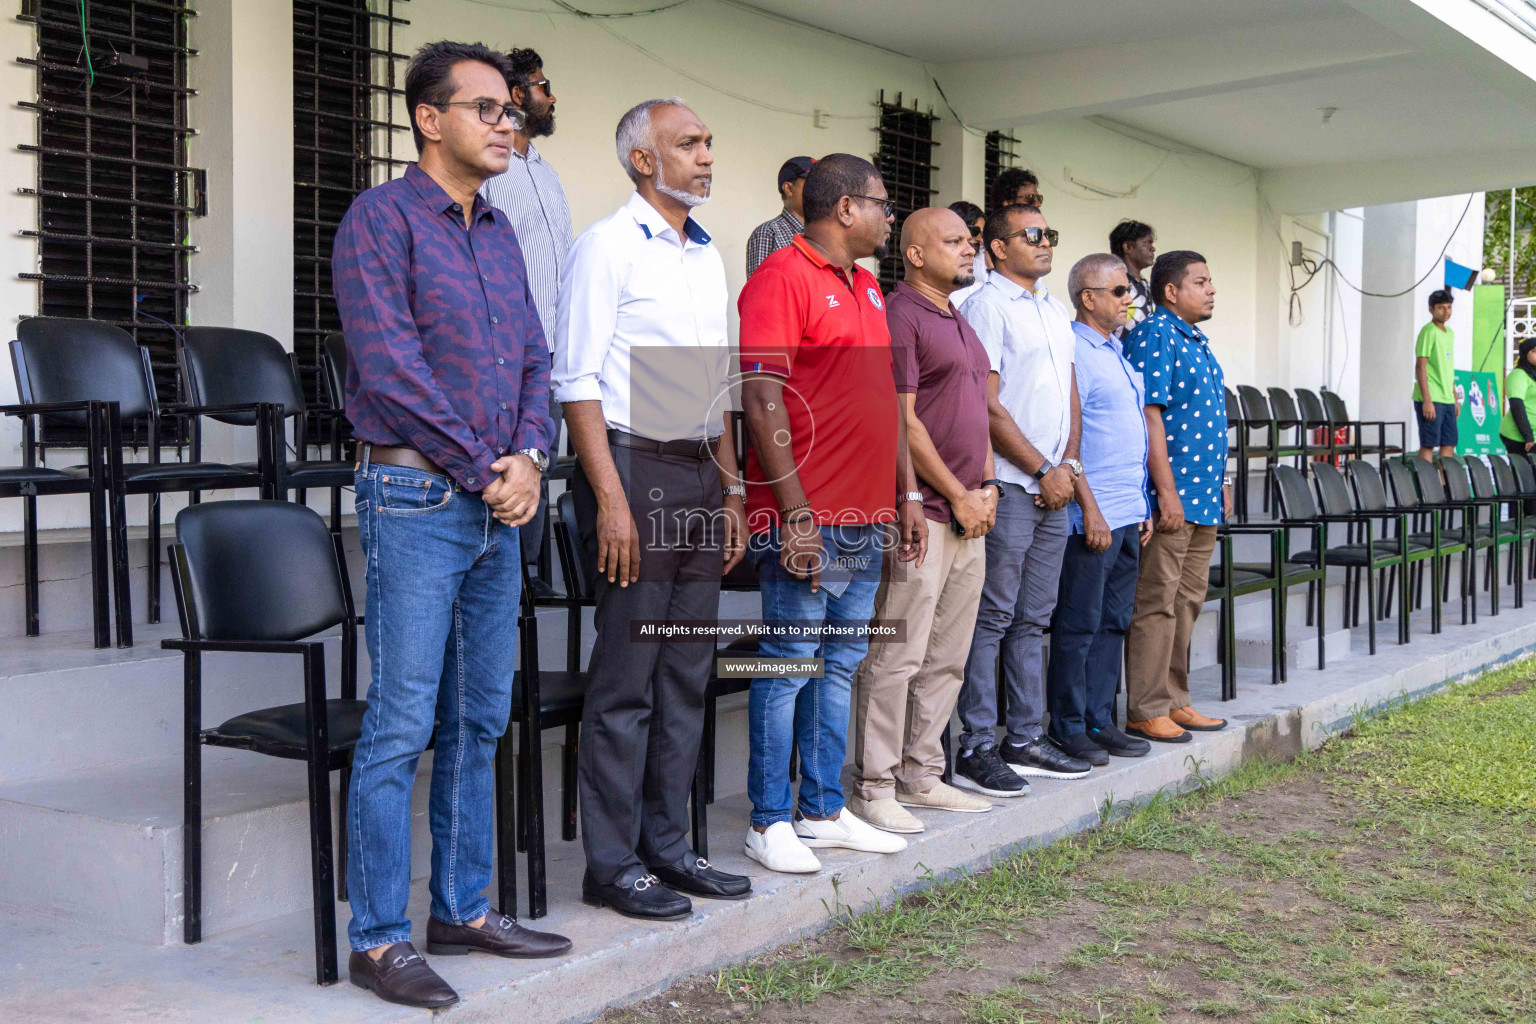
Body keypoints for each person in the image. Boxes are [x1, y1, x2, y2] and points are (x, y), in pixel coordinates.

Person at [333, 40, 568, 1011]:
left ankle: (462, 908)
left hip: (493, 502)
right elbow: (391, 369)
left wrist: (530, 459)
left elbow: (533, 361)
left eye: (510, 110)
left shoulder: (502, 230)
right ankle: (380, 938)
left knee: (481, 716)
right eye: (488, 109)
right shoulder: (379, 221)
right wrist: (487, 470)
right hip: (419, 500)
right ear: (431, 118)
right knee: (401, 722)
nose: (507, 123)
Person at [554, 97, 752, 921]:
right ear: (644, 160)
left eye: (708, 141)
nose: (706, 155)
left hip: (702, 473)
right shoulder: (607, 246)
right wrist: (611, 501)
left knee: (685, 675)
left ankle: (670, 850)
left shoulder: (706, 255)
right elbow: (577, 379)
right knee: (629, 677)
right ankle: (612, 863)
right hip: (634, 468)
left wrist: (735, 488)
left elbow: (718, 385)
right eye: (688, 144)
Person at [737, 152, 926, 873]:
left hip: (868, 511)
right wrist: (795, 515)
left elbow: (886, 404)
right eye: (881, 202)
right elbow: (760, 397)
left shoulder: (870, 288)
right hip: (811, 514)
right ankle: (767, 820)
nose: (888, 214)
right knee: (789, 665)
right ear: (846, 208)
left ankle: (820, 811)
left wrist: (904, 494)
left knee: (839, 663)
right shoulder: (780, 277)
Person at [849, 207, 997, 834]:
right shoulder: (901, 314)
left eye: (971, 242)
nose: (971, 249)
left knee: (948, 657)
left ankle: (921, 774)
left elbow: (982, 411)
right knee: (897, 655)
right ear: (914, 253)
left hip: (969, 512)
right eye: (955, 241)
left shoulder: (958, 320)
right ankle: (871, 784)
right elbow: (901, 420)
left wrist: (986, 487)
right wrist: (956, 494)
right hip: (926, 513)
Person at [951, 203, 1092, 800]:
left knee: (1034, 618)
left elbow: (1069, 396)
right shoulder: (985, 306)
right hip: (1008, 483)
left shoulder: (1054, 309)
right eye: (1032, 234)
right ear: (998, 248)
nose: (1044, 242)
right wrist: (1039, 467)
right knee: (993, 616)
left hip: (1053, 486)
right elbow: (984, 403)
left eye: (1049, 233)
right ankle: (978, 743)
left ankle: (1024, 738)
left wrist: (1068, 467)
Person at [1046, 254, 1154, 765]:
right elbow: (1073, 439)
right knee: (1080, 622)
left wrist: (1142, 504)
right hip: (1094, 515)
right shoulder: (1075, 352)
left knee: (1114, 621)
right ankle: (1067, 725)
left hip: (1128, 509)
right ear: (1088, 298)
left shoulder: (1117, 350)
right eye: (1117, 291)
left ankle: (1098, 719)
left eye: (1127, 289)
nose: (1126, 298)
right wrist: (1090, 509)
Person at [1121, 251, 1231, 745]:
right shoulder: (1155, 335)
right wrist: (1166, 492)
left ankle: (1175, 699)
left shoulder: (1199, 341)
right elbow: (1149, 416)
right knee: (1157, 602)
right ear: (1170, 291)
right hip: (1174, 498)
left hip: (1204, 497)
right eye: (1201, 282)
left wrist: (1223, 481)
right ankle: (1145, 707)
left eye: (1211, 282)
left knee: (1187, 600)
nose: (1211, 290)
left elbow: (1210, 419)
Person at [480, 46, 572, 591]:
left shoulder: (546, 171)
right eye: (542, 85)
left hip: (554, 347)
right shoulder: (491, 166)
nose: (550, 95)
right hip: (505, 345)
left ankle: (529, 576)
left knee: (541, 458)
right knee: (506, 457)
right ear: (517, 96)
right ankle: (500, 572)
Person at [745, 155, 815, 276]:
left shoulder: (821, 232)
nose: (818, 191)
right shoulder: (768, 233)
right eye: (810, 183)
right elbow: (760, 289)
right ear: (788, 188)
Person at [1414, 289, 1459, 461]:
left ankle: (1443, 483)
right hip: (1431, 397)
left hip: (1446, 397)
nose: (1446, 312)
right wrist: (1427, 400)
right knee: (1428, 443)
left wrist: (1454, 397)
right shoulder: (1428, 331)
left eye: (1449, 307)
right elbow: (1420, 367)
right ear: (1431, 309)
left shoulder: (1450, 333)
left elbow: (1447, 368)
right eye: (1441, 308)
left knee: (1449, 443)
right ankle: (1427, 485)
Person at [1499, 337, 1536, 513]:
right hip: (1518, 435)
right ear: (1524, 354)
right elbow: (1517, 406)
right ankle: (1520, 521)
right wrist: (1528, 436)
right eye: (1534, 352)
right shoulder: (1519, 375)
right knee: (1523, 480)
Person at [1108, 220, 1156, 338]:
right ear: (1128, 247)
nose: (1153, 249)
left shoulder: (1143, 283)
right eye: (1147, 243)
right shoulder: (1114, 281)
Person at [947, 199, 987, 308]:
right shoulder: (945, 255)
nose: (980, 239)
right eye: (975, 231)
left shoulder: (982, 254)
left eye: (984, 234)